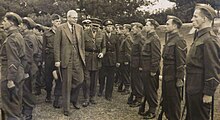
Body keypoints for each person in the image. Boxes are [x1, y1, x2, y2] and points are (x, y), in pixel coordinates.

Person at [186, 3, 220, 120]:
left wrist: (208, 93)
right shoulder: (200, 36)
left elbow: (213, 68)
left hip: (200, 90)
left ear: (204, 19)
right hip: (193, 87)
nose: (192, 19)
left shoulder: (209, 39)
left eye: (195, 16)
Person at [54, 10, 85, 116]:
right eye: (74, 18)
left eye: (77, 18)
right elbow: (57, 46)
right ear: (68, 17)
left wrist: (82, 57)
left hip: (77, 59)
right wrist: (57, 60)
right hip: (66, 60)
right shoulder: (60, 28)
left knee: (80, 80)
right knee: (66, 84)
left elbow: (82, 45)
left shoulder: (79, 28)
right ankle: (66, 108)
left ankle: (73, 99)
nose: (76, 20)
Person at [0, 12, 25, 120]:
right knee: (16, 104)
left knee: (10, 107)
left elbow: (13, 60)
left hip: (9, 75)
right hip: (19, 73)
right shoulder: (19, 35)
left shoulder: (11, 39)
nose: (2, 23)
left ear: (11, 23)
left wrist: (10, 80)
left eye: (4, 21)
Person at [162, 15, 187, 120]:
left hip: (173, 77)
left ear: (175, 26)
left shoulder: (179, 40)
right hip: (167, 75)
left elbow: (181, 62)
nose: (165, 26)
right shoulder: (170, 39)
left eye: (168, 24)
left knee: (174, 104)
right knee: (167, 102)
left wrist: (179, 79)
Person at [138, 19, 161, 119]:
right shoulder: (149, 37)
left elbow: (156, 56)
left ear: (152, 27)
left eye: (147, 25)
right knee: (147, 89)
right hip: (145, 68)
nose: (145, 27)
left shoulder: (154, 38)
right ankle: (150, 108)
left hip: (150, 70)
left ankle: (152, 110)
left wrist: (153, 70)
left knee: (151, 90)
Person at [82, 18, 106, 107]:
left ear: (99, 27)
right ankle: (86, 98)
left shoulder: (102, 34)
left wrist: (102, 53)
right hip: (87, 58)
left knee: (94, 80)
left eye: (97, 26)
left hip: (96, 59)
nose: (94, 28)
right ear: (90, 25)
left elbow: (104, 47)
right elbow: (81, 47)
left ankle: (92, 97)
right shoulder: (84, 33)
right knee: (86, 80)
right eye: (93, 26)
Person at [20, 17, 39, 120]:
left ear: (26, 26)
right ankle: (26, 111)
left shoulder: (26, 38)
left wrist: (26, 71)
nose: (20, 26)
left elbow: (27, 57)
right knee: (29, 89)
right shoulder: (33, 36)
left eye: (22, 25)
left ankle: (27, 114)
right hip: (33, 66)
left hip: (28, 68)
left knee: (27, 91)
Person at [42, 14, 62, 108]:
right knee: (48, 78)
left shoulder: (62, 32)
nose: (58, 23)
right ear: (52, 22)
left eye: (59, 21)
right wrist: (43, 60)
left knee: (59, 78)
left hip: (59, 58)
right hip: (49, 57)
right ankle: (48, 94)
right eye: (57, 21)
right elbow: (43, 48)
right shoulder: (46, 33)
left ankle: (57, 97)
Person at [98, 19, 119, 101]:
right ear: (104, 27)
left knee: (111, 78)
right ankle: (101, 89)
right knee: (102, 76)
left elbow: (118, 49)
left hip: (112, 59)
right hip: (104, 59)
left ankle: (108, 94)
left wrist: (117, 61)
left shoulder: (115, 36)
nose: (110, 28)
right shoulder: (101, 35)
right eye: (108, 26)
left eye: (111, 26)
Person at [128, 22, 144, 107]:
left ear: (139, 29)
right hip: (134, 63)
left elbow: (142, 53)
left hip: (138, 64)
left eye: (133, 28)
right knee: (134, 81)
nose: (132, 30)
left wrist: (141, 66)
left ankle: (139, 98)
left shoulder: (141, 39)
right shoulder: (136, 38)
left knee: (138, 82)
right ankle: (136, 96)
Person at [116, 24, 133, 95]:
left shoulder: (128, 38)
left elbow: (128, 51)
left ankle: (127, 88)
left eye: (124, 28)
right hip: (123, 59)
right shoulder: (125, 38)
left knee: (126, 74)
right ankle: (125, 87)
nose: (123, 30)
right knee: (123, 73)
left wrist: (126, 60)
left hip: (125, 60)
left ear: (127, 30)